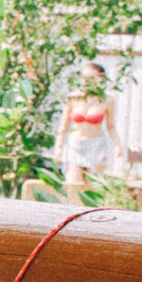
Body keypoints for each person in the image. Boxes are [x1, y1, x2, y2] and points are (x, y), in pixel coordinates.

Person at [55, 62, 120, 195]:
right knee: (73, 187)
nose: (86, 82)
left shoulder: (107, 100)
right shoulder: (73, 98)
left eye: (90, 78)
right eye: (84, 78)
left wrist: (117, 144)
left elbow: (110, 126)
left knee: (93, 189)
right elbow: (64, 125)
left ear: (100, 79)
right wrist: (58, 147)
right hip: (75, 145)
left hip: (96, 145)